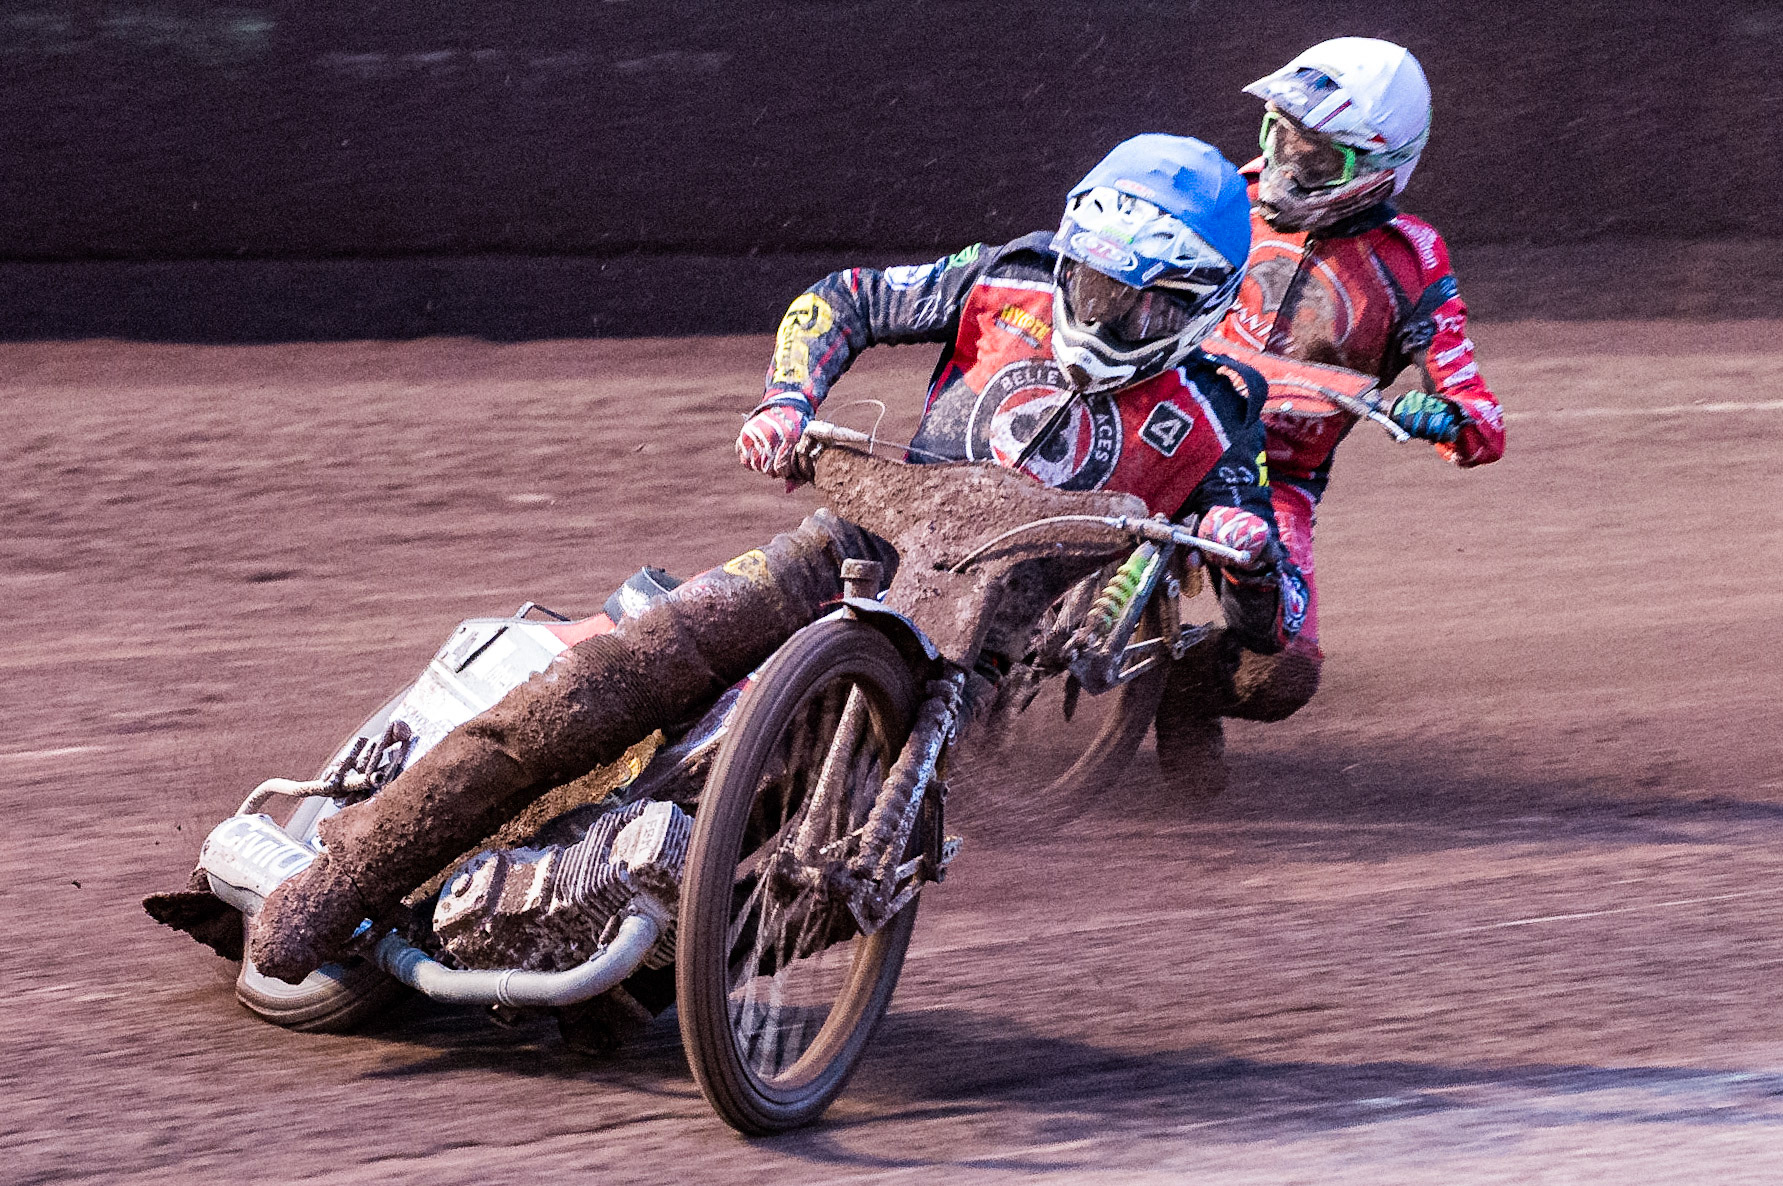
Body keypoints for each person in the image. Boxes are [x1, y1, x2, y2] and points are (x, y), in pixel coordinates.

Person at [247, 133, 1308, 985]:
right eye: (1091, 278)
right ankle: (345, 876)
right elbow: (842, 297)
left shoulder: (1220, 412)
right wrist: (787, 398)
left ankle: (657, 976)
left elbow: (1274, 596)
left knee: (870, 847)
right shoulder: (1005, 280)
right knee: (613, 675)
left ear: (1204, 302)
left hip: (979, 643)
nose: (1104, 308)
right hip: (850, 544)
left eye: (1141, 301)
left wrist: (1251, 557)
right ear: (1067, 249)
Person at [1150, 38, 1506, 795]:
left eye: (1316, 160)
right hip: (1157, 413)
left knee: (1280, 671)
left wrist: (1433, 416)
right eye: (1279, 136)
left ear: (1380, 170)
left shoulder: (1409, 263)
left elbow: (1481, 425)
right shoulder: (1220, 195)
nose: (1284, 166)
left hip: (1272, 474)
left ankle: (1186, 691)